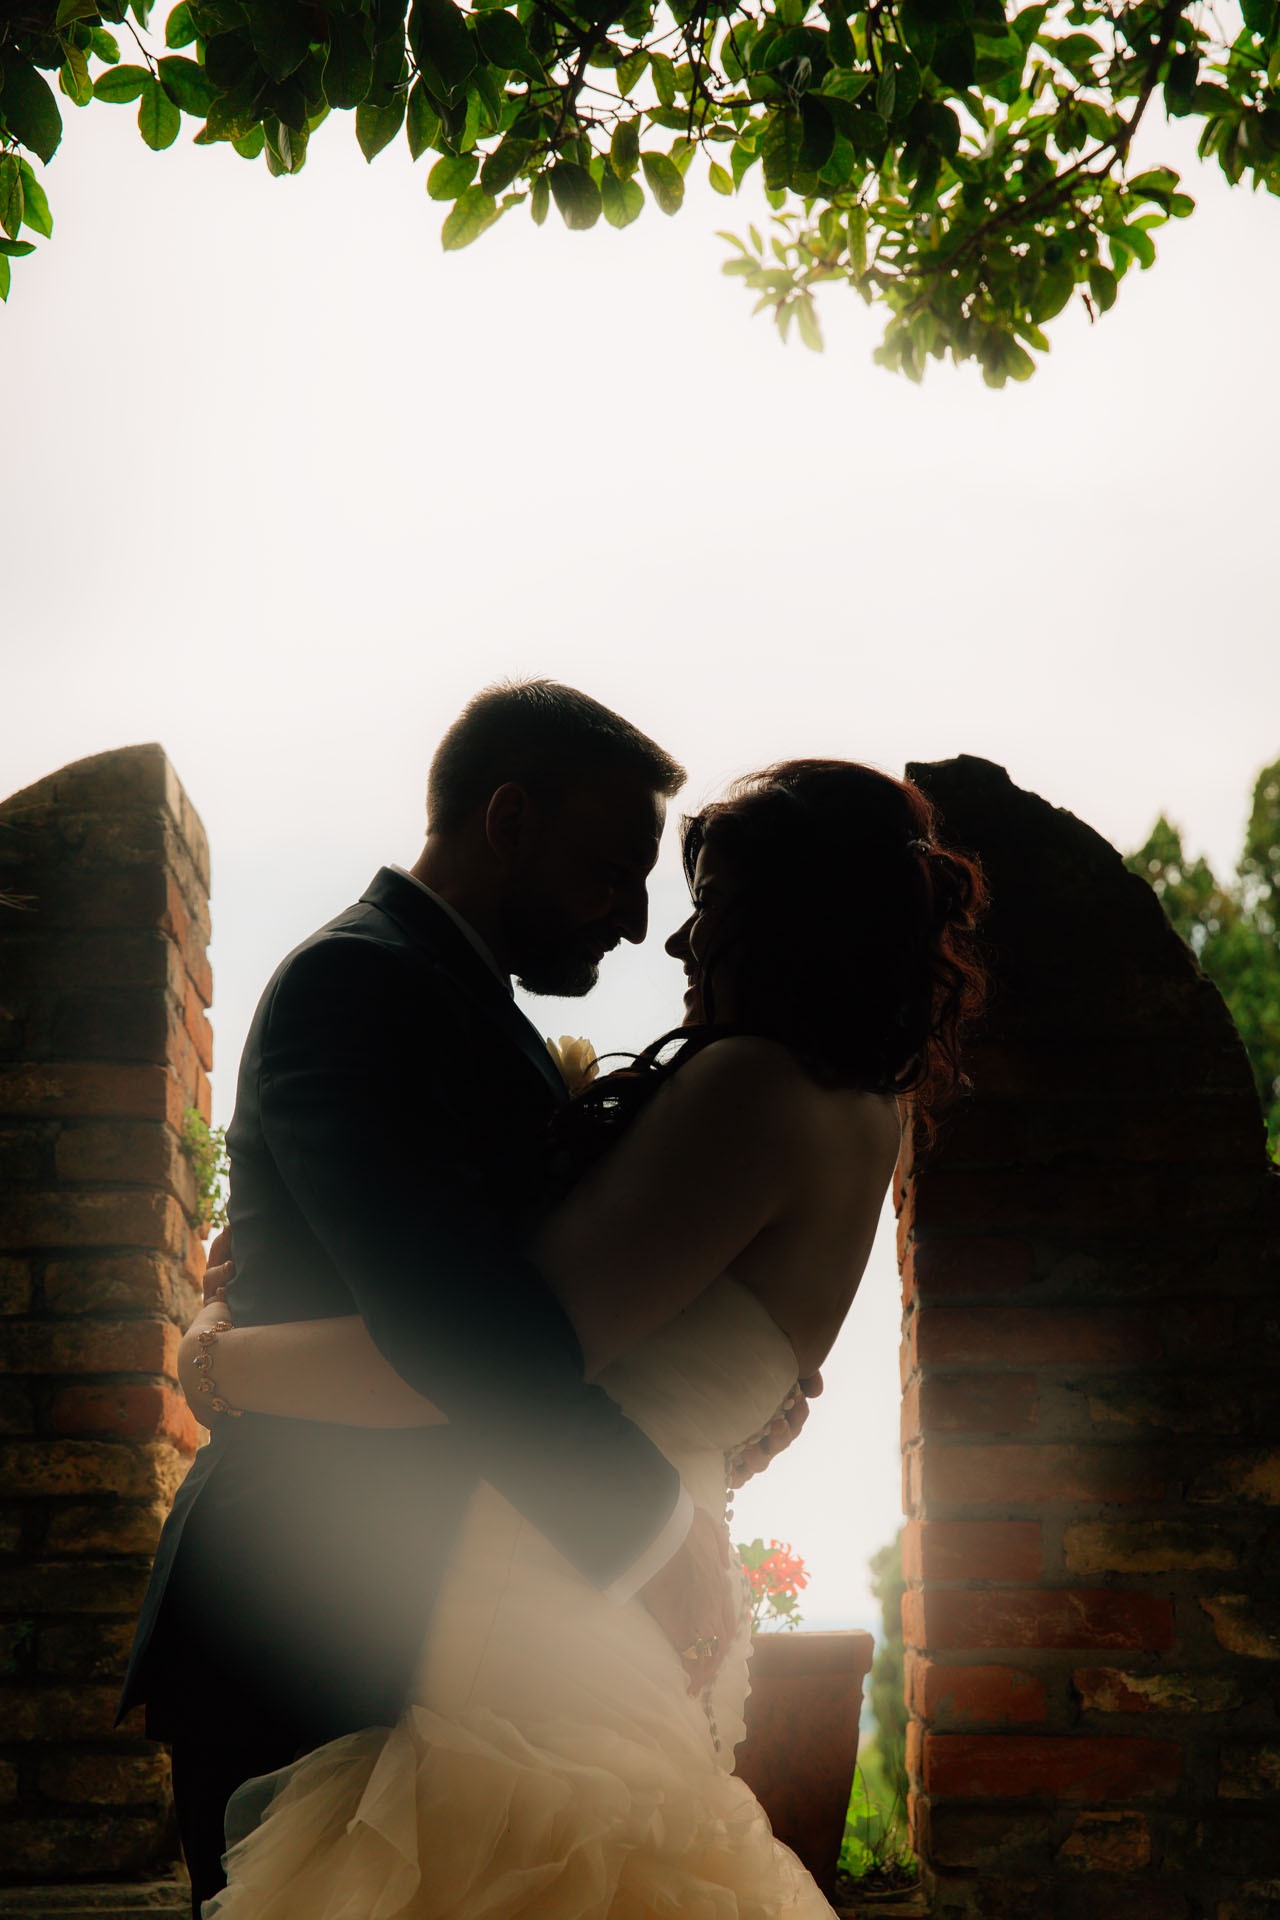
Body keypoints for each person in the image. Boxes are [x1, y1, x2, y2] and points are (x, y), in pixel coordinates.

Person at [174, 754, 988, 1918]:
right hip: (635, 1597)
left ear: (785, 920)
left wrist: (213, 1351)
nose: (673, 940)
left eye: (710, 906)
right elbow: (743, 1372)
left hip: (540, 1602)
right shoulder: (869, 1117)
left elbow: (485, 1360)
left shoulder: (751, 1091)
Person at [121, 682, 803, 1915]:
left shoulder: (457, 1001)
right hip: (308, 1599)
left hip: (446, 1604)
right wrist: (651, 1531)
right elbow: (454, 1324)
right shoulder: (356, 983)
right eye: (611, 867)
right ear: (506, 822)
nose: (639, 919)